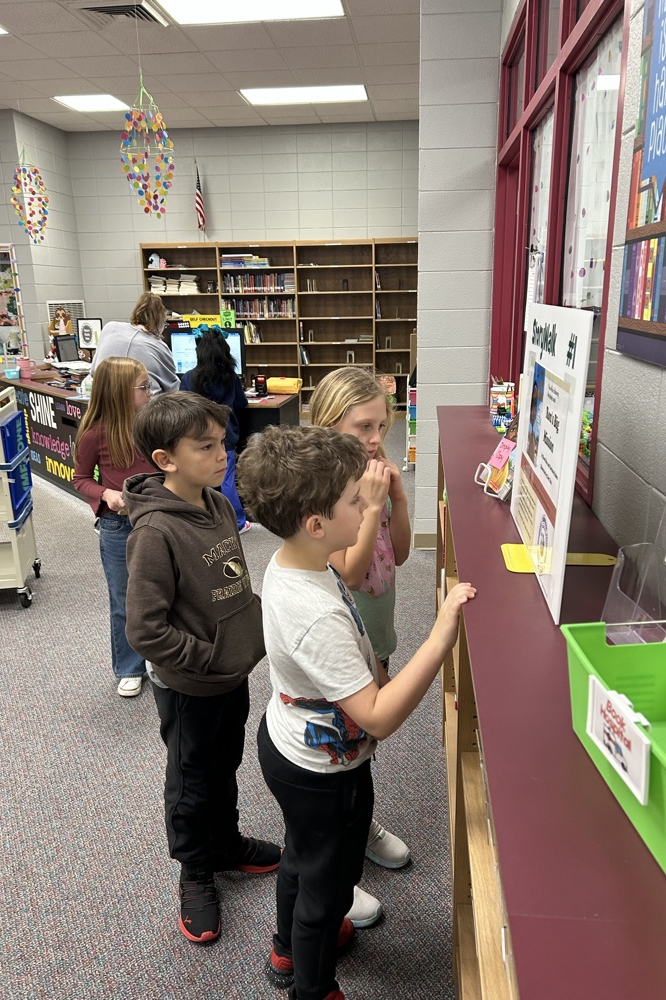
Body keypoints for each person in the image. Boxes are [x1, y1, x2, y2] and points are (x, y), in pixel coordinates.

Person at [237, 424, 476, 1000]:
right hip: (321, 769)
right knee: (327, 885)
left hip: (301, 746)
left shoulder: (297, 558)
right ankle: (311, 986)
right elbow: (377, 717)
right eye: (353, 500)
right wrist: (440, 635)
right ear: (317, 525)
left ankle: (287, 946)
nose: (363, 502)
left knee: (304, 857)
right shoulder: (312, 611)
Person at [122, 391, 280, 945]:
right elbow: (144, 629)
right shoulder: (155, 532)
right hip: (192, 685)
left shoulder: (215, 504)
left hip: (230, 676)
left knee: (224, 765)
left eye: (223, 443)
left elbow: (226, 579)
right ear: (166, 460)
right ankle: (195, 870)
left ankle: (227, 843)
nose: (223, 455)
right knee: (191, 783)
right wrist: (208, 660)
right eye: (206, 446)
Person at [309, 366, 411, 928]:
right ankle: (336, 870)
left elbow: (401, 553)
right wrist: (371, 504)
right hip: (341, 644)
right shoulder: (325, 490)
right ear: (329, 425)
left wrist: (394, 496)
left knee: (363, 746)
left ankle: (361, 825)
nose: (375, 439)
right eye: (362, 426)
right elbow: (347, 571)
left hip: (379, 631)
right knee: (336, 756)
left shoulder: (374, 479)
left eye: (382, 426)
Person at [74, 357, 157, 697]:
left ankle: (161, 658)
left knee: (163, 593)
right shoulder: (95, 434)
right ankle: (129, 666)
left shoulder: (153, 425)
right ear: (121, 393)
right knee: (124, 599)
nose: (151, 393)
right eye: (143, 388)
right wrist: (105, 493)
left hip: (157, 521)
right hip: (118, 527)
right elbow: (80, 479)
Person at [179, 325, 250, 533]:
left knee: (199, 476)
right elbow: (241, 403)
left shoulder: (190, 377)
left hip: (198, 436)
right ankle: (237, 522)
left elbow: (183, 404)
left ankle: (202, 519)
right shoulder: (231, 377)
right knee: (227, 480)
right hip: (225, 436)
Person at [92, 291, 179, 394]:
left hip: (105, 401)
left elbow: (94, 372)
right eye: (165, 324)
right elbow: (172, 388)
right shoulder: (158, 345)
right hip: (146, 408)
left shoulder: (110, 328)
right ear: (159, 322)